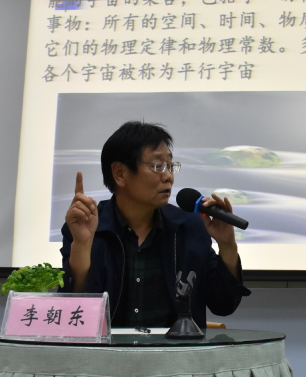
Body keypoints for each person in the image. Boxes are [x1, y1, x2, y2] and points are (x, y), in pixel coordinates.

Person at [60, 121, 250, 328]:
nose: (168, 177)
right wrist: (82, 246)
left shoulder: (189, 227)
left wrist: (227, 245)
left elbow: (223, 305)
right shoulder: (87, 227)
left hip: (175, 348)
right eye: (158, 166)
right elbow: (72, 311)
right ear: (120, 173)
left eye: (170, 166)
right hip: (107, 349)